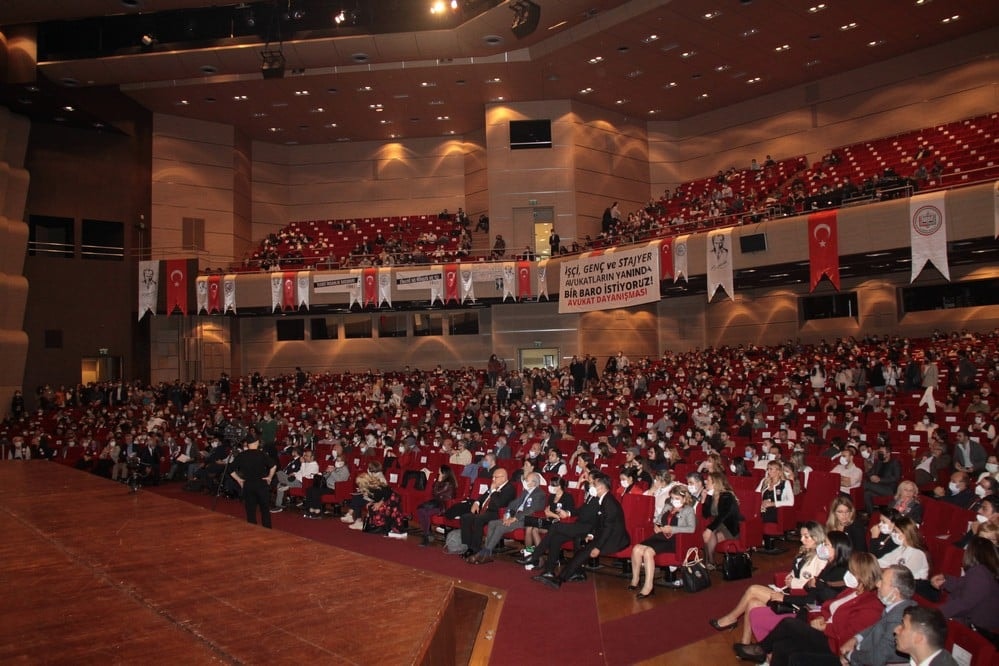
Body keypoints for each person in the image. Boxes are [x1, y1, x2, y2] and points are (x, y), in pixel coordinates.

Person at [735, 553, 883, 665]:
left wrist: (825, 627)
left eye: (852, 571)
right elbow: (829, 607)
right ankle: (762, 651)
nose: (847, 574)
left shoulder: (871, 604)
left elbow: (851, 634)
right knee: (781, 646)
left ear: (862, 574)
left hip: (833, 642)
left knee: (788, 624)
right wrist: (820, 617)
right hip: (823, 628)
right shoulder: (852, 590)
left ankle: (760, 649)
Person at [713, 521, 826, 647]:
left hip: (798, 600)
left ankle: (732, 618)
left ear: (816, 537)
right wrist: (791, 575)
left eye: (806, 536)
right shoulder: (806, 550)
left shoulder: (821, 559)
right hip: (789, 590)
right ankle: (745, 643)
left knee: (752, 590)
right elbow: (799, 571)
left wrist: (793, 582)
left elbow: (813, 585)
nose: (801, 539)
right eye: (801, 536)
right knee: (752, 603)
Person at [530, 473, 629, 589]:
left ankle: (539, 561)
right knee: (580, 554)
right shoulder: (604, 499)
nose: (591, 486)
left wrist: (598, 547)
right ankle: (558, 579)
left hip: (614, 539)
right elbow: (599, 521)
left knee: (581, 553)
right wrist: (592, 534)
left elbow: (608, 528)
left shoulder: (609, 503)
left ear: (601, 488)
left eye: (594, 485)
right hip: (602, 534)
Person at [628, 484, 696, 598]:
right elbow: (659, 519)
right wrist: (657, 525)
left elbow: (691, 528)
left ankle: (649, 586)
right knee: (636, 548)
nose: (674, 501)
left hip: (675, 539)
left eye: (677, 499)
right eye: (673, 498)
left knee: (648, 551)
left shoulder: (688, 510)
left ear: (684, 499)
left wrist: (672, 529)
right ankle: (636, 579)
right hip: (661, 536)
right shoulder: (668, 506)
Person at [467, 472, 546, 564]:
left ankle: (484, 553)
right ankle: (487, 553)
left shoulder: (540, 494)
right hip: (515, 517)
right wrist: (507, 514)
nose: (524, 481)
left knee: (500, 527)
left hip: (526, 520)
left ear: (533, 483)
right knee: (492, 523)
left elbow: (531, 510)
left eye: (527, 480)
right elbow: (513, 504)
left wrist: (514, 518)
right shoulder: (526, 492)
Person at [931, 536, 999, 638]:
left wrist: (933, 615)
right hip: (978, 623)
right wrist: (944, 581)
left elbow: (964, 604)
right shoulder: (984, 572)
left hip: (980, 629)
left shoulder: (979, 572)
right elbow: (962, 584)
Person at [457, 467, 515, 558]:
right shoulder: (493, 485)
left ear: (503, 478)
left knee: (478, 519)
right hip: (484, 511)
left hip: (496, 513)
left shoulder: (509, 488)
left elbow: (499, 504)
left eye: (496, 477)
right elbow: (483, 496)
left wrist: (494, 491)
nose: (493, 479)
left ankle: (475, 548)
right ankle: (466, 546)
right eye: (493, 477)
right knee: (465, 517)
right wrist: (477, 502)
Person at [229, 433, 277, 528]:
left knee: (250, 510)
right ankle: (267, 530)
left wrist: (239, 480)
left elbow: (230, 470)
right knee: (264, 510)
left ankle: (252, 529)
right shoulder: (261, 454)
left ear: (247, 444)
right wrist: (270, 477)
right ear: (257, 442)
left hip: (248, 485)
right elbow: (273, 465)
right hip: (261, 484)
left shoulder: (241, 455)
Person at [522, 475, 575, 560]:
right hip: (549, 521)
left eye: (552, 485)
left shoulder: (567, 497)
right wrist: (549, 514)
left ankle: (538, 557)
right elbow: (547, 511)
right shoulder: (551, 496)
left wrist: (552, 514)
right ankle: (529, 553)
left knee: (535, 529)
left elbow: (567, 516)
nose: (549, 487)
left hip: (560, 524)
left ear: (559, 486)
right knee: (529, 527)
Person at [702, 472, 741, 568]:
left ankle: (709, 563)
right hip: (717, 525)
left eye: (709, 481)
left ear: (715, 483)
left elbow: (723, 516)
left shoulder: (727, 496)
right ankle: (710, 563)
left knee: (709, 533)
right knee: (708, 536)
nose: (706, 482)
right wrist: (704, 500)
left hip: (728, 527)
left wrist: (709, 529)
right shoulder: (711, 495)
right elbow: (706, 515)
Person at [416, 464, 458, 546]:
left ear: (444, 472)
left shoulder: (448, 483)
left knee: (425, 512)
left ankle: (426, 536)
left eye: (439, 471)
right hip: (436, 503)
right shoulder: (442, 481)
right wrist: (437, 482)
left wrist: (438, 481)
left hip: (442, 506)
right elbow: (434, 493)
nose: (438, 472)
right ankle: (427, 533)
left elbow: (435, 492)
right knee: (420, 510)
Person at [862, 440, 901, 514]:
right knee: (867, 493)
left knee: (864, 484)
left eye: (881, 453)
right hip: (878, 487)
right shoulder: (879, 462)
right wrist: (871, 476)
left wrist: (880, 480)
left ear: (888, 453)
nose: (879, 454)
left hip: (889, 489)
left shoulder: (894, 463)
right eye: (879, 452)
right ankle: (872, 516)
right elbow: (869, 472)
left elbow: (896, 478)